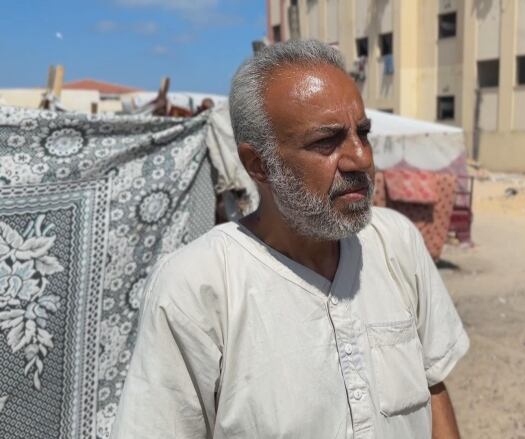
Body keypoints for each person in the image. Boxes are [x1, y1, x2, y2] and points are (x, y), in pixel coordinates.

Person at [111, 39, 469, 438]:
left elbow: (432, 382)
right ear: (259, 165)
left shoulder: (395, 243)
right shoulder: (198, 287)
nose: (361, 159)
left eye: (362, 133)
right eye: (326, 141)